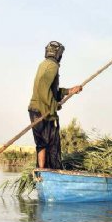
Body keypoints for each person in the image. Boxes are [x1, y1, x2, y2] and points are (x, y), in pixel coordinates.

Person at [28, 41, 83, 169]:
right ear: (58, 54)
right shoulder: (53, 66)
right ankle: (50, 172)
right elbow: (42, 87)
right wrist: (53, 105)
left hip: (34, 109)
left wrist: (69, 91)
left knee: (41, 144)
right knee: (52, 144)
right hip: (43, 111)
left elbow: (51, 91)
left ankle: (41, 172)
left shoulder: (43, 64)